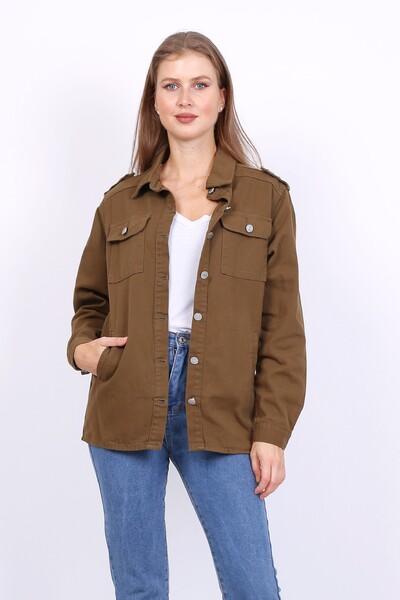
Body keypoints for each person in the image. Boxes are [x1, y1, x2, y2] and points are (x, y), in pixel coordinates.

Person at [66, 30, 307, 600]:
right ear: (154, 102)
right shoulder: (120, 201)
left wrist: (271, 433)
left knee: (253, 585)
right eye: (170, 86)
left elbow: (282, 328)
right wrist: (83, 351)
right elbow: (89, 302)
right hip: (126, 392)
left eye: (200, 85)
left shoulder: (266, 198)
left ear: (222, 97)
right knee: (139, 587)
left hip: (223, 402)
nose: (185, 98)